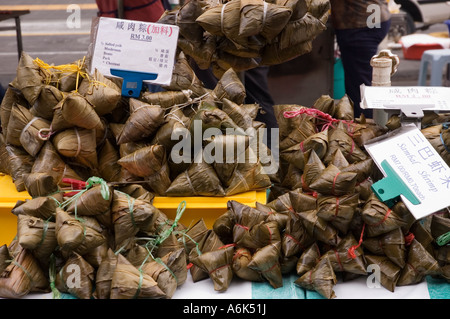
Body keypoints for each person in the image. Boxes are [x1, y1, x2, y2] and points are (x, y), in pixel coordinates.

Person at [330, 0, 391, 119]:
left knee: (359, 88)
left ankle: (365, 127)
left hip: (361, 25)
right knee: (357, 82)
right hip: (372, 18)